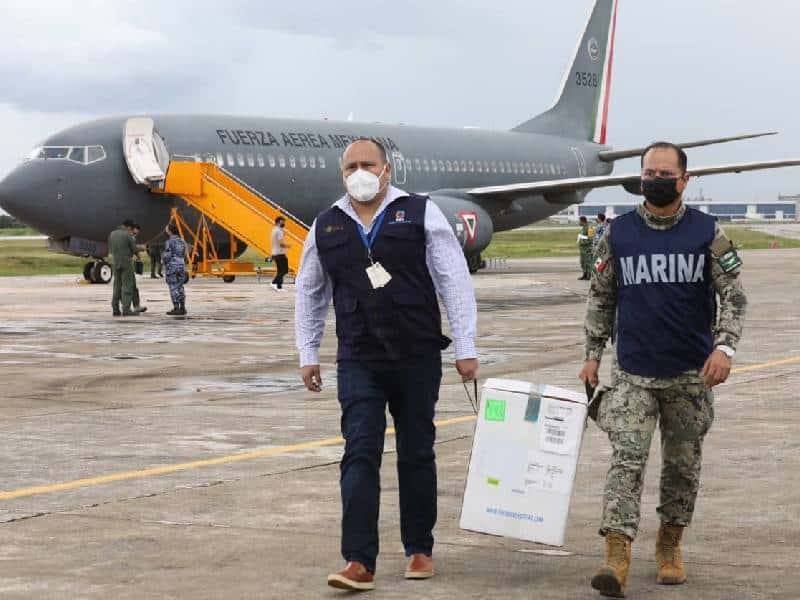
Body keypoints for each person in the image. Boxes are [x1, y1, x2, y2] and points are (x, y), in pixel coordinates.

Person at [295, 138, 478, 592]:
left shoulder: (419, 212)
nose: (360, 171)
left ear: (386, 170)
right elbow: (309, 291)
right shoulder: (327, 225)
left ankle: (419, 546)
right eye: (351, 166)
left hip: (416, 354)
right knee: (359, 450)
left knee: (417, 451)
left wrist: (466, 347)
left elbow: (452, 277)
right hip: (359, 356)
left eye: (367, 164)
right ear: (342, 174)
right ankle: (359, 559)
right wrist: (308, 351)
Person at [579, 142, 747, 597]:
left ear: (684, 179)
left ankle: (669, 545)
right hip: (633, 373)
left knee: (682, 467)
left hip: (691, 375)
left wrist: (725, 349)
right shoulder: (617, 234)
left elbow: (733, 296)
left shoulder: (708, 233)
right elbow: (601, 297)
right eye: (648, 171)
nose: (654, 178)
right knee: (626, 462)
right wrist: (592, 353)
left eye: (664, 172)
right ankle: (616, 554)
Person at [108, 218, 141, 317]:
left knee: (117, 286)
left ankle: (115, 308)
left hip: (115, 262)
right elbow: (134, 248)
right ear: (129, 227)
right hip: (126, 263)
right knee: (127, 286)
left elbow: (110, 247)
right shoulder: (127, 235)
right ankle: (126, 309)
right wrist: (142, 249)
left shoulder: (112, 234)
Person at [162, 222, 188, 316]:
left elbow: (167, 255)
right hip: (181, 265)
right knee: (180, 286)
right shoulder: (182, 241)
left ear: (169, 231)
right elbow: (185, 255)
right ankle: (183, 307)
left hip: (172, 266)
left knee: (173, 286)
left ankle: (176, 307)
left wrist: (163, 261)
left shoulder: (169, 242)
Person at [129, 223, 148, 314]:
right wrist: (142, 248)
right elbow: (133, 248)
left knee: (130, 287)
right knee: (130, 287)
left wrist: (138, 257)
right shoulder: (128, 237)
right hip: (126, 266)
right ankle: (132, 307)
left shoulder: (131, 237)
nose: (135, 235)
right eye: (134, 232)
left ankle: (133, 306)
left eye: (136, 233)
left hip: (125, 265)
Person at [270, 215, 290, 292]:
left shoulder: (274, 230)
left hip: (275, 253)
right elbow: (281, 243)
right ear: (279, 222)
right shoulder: (278, 231)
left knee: (280, 270)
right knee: (284, 270)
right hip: (280, 253)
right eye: (283, 222)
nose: (284, 223)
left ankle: (279, 287)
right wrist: (288, 246)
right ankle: (273, 282)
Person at [578, 215, 593, 280]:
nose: (579, 223)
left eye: (579, 221)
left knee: (588, 263)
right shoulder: (582, 228)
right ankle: (584, 274)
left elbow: (591, 238)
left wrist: (583, 242)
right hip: (582, 249)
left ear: (582, 221)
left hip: (587, 248)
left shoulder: (589, 228)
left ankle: (589, 275)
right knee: (583, 262)